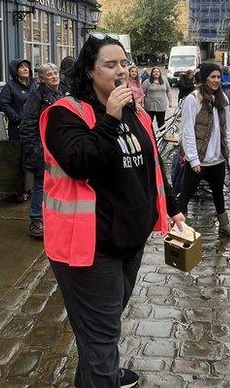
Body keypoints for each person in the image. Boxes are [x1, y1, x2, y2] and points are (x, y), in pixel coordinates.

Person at [40, 36, 183, 387]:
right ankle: (104, 376)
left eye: (123, 63)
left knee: (101, 328)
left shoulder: (137, 112)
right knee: (101, 334)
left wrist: (173, 211)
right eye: (110, 64)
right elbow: (79, 162)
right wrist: (110, 116)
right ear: (89, 71)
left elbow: (151, 166)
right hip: (89, 248)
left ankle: (96, 374)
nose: (120, 71)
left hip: (130, 241)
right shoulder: (64, 114)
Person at [178, 63, 230, 237]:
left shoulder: (223, 99)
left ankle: (224, 224)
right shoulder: (193, 99)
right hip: (200, 158)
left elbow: (228, 129)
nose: (216, 80)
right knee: (187, 191)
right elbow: (187, 129)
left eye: (218, 77)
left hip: (217, 158)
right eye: (212, 77)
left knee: (218, 192)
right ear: (204, 79)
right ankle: (178, 226)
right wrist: (194, 158)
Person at [19, 62, 64, 240]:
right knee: (40, 184)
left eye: (55, 73)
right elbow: (27, 125)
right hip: (42, 148)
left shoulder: (61, 93)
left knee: (59, 184)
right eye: (49, 75)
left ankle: (53, 217)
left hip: (60, 147)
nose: (54, 76)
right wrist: (36, 149)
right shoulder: (36, 97)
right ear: (42, 79)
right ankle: (36, 220)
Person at [0, 59, 35, 141]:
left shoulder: (34, 83)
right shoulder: (9, 86)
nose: (25, 69)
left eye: (27, 66)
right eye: (22, 67)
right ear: (15, 70)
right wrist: (18, 119)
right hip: (18, 127)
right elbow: (4, 105)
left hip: (34, 126)